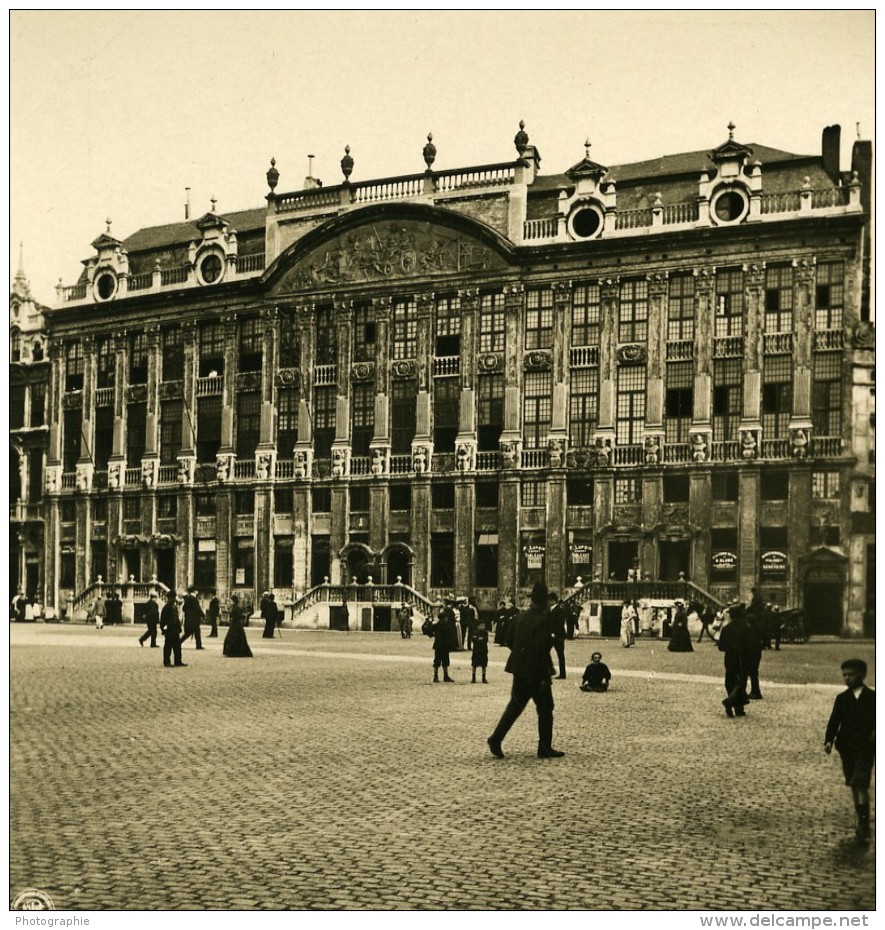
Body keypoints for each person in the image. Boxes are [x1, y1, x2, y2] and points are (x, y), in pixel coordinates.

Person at [487, 581, 563, 760]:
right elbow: (541, 649)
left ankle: (496, 739)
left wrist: (521, 653)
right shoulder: (543, 621)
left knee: (515, 706)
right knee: (546, 708)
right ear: (544, 601)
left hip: (519, 668)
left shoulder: (520, 617)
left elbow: (507, 640)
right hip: (536, 672)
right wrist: (545, 675)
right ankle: (544, 748)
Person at [824, 658, 875, 843]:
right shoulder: (842, 698)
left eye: (850, 675)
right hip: (846, 747)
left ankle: (863, 825)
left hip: (865, 747)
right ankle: (860, 816)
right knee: (853, 783)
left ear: (861, 675)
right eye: (844, 675)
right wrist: (829, 740)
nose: (847, 678)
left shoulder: (872, 698)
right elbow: (834, 721)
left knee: (860, 782)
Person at [717, 604, 750, 717]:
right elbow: (749, 645)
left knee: (730, 681)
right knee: (741, 682)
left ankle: (737, 708)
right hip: (742, 657)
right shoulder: (745, 627)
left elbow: (721, 647)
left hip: (729, 657)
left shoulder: (726, 629)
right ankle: (731, 702)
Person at [160, 590, 186, 668]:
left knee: (177, 646)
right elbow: (163, 620)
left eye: (174, 597)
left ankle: (178, 661)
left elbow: (176, 618)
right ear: (168, 598)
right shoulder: (166, 607)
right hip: (169, 630)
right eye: (172, 598)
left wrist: (179, 628)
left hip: (175, 630)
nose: (173, 599)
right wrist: (164, 629)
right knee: (168, 646)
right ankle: (166, 661)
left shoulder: (174, 607)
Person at [431, 604, 456, 683]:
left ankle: (436, 676)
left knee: (438, 661)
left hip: (439, 645)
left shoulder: (436, 625)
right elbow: (451, 635)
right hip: (444, 645)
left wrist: (433, 634)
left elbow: (427, 630)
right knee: (443, 661)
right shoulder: (446, 625)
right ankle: (444, 676)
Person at [549, 592, 568, 678]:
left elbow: (560, 623)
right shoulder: (548, 610)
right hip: (549, 635)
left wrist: (554, 633)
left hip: (558, 636)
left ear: (553, 601)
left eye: (549, 600)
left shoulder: (560, 610)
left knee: (560, 655)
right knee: (545, 654)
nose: (548, 602)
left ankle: (562, 674)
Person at [470, 618, 490, 684]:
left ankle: (483, 677)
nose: (483, 627)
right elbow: (473, 639)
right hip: (476, 650)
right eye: (481, 625)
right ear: (478, 626)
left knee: (484, 665)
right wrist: (479, 639)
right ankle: (473, 677)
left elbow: (485, 639)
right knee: (474, 664)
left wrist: (478, 639)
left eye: (483, 625)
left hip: (483, 650)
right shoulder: (475, 632)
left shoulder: (485, 632)